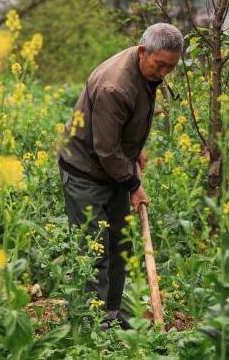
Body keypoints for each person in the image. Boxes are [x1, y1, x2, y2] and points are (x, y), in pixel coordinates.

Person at [57, 23, 183, 330]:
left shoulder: (145, 68)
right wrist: (134, 185)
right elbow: (106, 150)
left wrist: (134, 148)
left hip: (114, 167)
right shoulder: (116, 86)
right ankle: (90, 326)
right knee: (95, 249)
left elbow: (121, 130)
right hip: (87, 172)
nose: (164, 73)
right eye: (160, 65)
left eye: (171, 67)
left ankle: (110, 317)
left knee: (120, 245)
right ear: (143, 52)